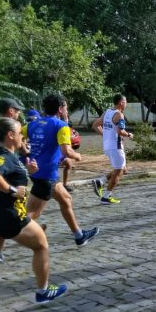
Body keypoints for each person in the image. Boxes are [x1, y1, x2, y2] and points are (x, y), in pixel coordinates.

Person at [0, 117, 67, 303]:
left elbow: (8, 175)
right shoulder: (4, 155)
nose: (23, 138)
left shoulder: (3, 153)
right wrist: (11, 190)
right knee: (41, 245)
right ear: (10, 135)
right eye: (20, 134)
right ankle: (43, 292)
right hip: (10, 214)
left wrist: (27, 171)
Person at [25, 93, 100, 247]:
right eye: (66, 107)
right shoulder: (61, 126)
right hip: (46, 176)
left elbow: (17, 134)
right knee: (30, 215)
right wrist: (77, 156)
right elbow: (67, 151)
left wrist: (25, 152)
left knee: (66, 199)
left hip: (40, 172)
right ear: (60, 108)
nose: (67, 110)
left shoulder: (34, 124)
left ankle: (79, 235)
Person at [92, 93, 133, 205]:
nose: (126, 104)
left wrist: (105, 136)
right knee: (119, 170)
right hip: (116, 146)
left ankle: (100, 181)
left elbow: (95, 125)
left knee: (123, 169)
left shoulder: (107, 112)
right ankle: (106, 197)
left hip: (108, 146)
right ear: (121, 102)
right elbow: (120, 131)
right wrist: (129, 134)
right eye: (125, 102)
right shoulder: (119, 115)